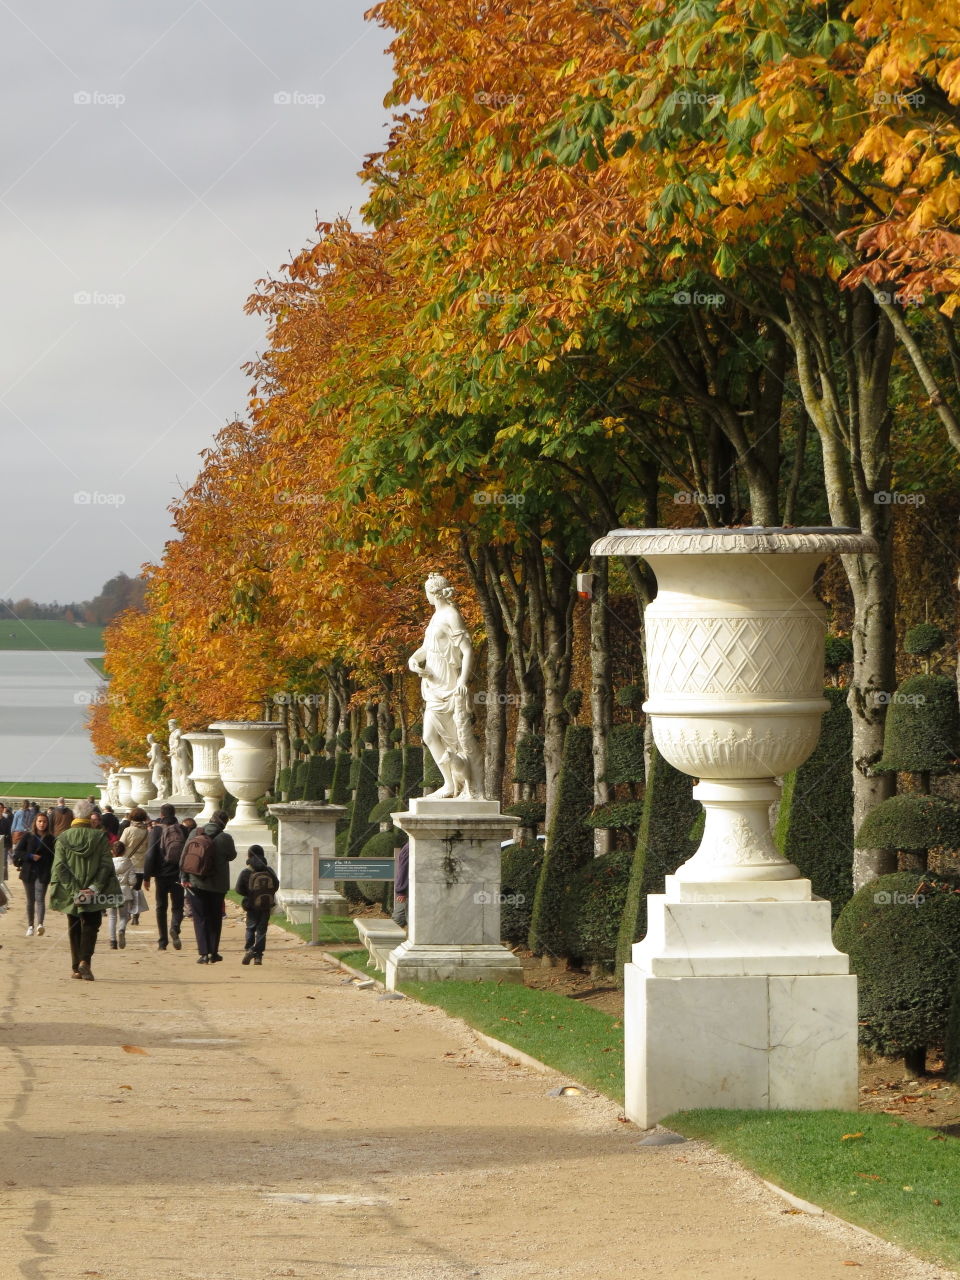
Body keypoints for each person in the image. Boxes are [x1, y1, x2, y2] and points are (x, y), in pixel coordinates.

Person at [49, 798, 121, 981]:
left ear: (74, 816)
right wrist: (93, 888)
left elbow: (59, 867)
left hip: (70, 891)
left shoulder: (63, 838)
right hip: (94, 891)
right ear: (90, 817)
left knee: (74, 926)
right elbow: (106, 866)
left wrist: (75, 891)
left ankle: (75, 968)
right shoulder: (99, 837)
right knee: (91, 923)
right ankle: (85, 962)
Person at [180, 809, 236, 964]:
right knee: (215, 918)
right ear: (224, 823)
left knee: (200, 918)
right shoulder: (225, 837)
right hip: (217, 884)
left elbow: (184, 856)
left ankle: (203, 953)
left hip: (195, 881)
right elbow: (232, 855)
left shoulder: (194, 834)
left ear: (211, 819)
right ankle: (213, 952)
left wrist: (184, 877)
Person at [143, 803, 186, 951]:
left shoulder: (156, 830)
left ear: (161, 815)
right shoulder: (182, 829)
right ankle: (175, 927)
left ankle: (162, 941)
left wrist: (147, 876)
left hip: (161, 874)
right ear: (174, 814)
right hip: (178, 873)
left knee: (161, 907)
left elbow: (150, 854)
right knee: (178, 906)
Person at [14, 810, 56, 936]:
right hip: (29, 871)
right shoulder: (28, 836)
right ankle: (30, 925)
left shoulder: (51, 838)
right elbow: (18, 852)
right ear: (35, 822)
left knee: (40, 899)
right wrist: (30, 856)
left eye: (44, 822)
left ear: (47, 824)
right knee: (30, 900)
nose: (42, 824)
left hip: (43, 872)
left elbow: (54, 856)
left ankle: (40, 924)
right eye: (40, 821)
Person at [235, 844, 278, 965]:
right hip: (265, 905)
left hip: (251, 905)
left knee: (250, 928)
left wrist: (250, 894)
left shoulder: (246, 872)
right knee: (262, 930)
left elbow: (238, 889)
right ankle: (258, 956)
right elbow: (276, 885)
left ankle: (249, 949)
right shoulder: (269, 870)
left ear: (249, 855)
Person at [122, 808, 150, 925]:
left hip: (129, 863)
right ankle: (135, 915)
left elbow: (121, 845)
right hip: (141, 864)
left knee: (127, 888)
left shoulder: (128, 830)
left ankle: (128, 912)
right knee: (137, 889)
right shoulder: (147, 832)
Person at [107, 840, 135, 949]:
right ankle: (122, 929)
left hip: (111, 891)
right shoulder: (128, 862)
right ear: (124, 851)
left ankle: (112, 941)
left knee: (112, 917)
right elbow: (132, 881)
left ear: (112, 852)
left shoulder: (108, 863)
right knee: (125, 916)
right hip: (124, 891)